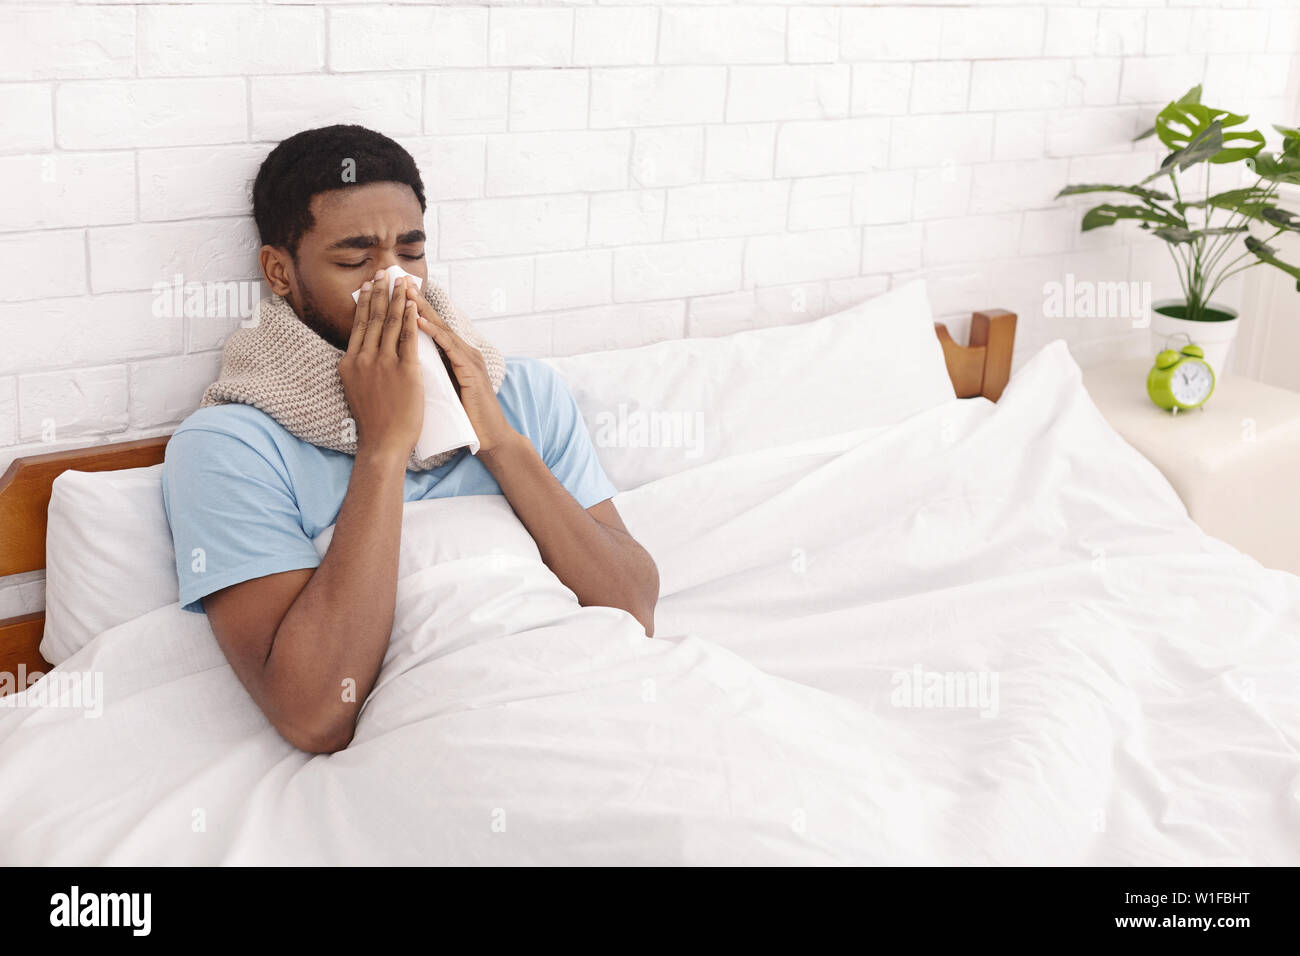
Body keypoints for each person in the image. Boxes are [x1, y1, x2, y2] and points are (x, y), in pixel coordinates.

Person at [161, 125, 658, 755]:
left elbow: (631, 611)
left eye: (411, 253)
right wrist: (383, 448)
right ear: (280, 272)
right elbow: (314, 715)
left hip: (607, 693)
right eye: (354, 259)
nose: (393, 283)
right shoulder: (229, 446)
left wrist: (499, 442)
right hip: (446, 737)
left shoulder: (521, 392)